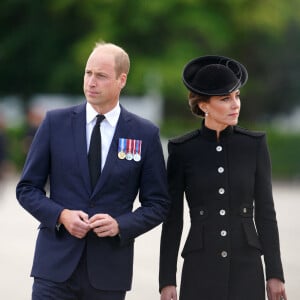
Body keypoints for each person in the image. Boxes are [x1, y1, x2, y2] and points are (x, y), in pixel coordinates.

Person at [16, 42, 170, 300]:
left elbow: (158, 203)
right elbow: (26, 189)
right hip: (54, 270)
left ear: (122, 80)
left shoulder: (144, 134)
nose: (91, 82)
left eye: (101, 75)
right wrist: (61, 215)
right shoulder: (55, 123)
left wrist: (120, 225)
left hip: (109, 273)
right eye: (88, 73)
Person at [159, 55, 287, 300]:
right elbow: (172, 220)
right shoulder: (182, 150)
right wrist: (167, 280)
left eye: (237, 96)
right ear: (204, 106)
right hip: (199, 267)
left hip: (247, 265)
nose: (235, 104)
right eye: (225, 99)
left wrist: (275, 273)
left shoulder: (254, 145)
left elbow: (266, 213)